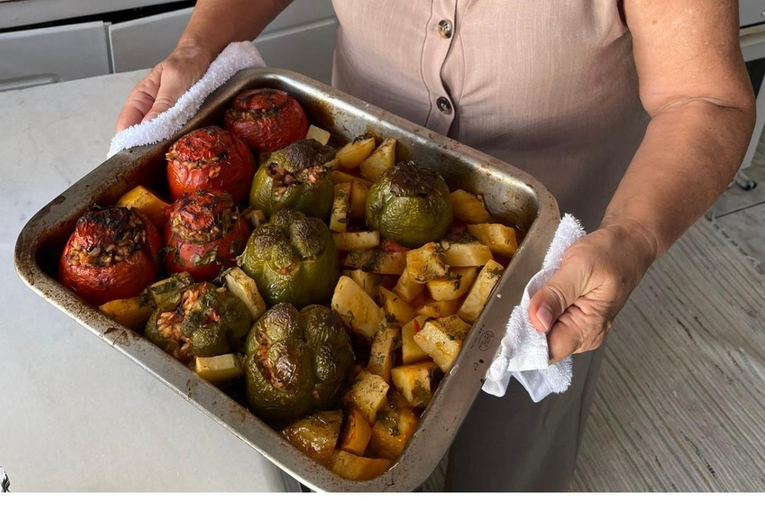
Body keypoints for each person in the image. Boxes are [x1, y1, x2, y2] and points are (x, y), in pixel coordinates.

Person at [116, 0, 755, 491]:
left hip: (545, 263)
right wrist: (198, 45)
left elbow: (705, 97)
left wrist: (633, 237)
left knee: (507, 455)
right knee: (319, 425)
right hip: (332, 200)